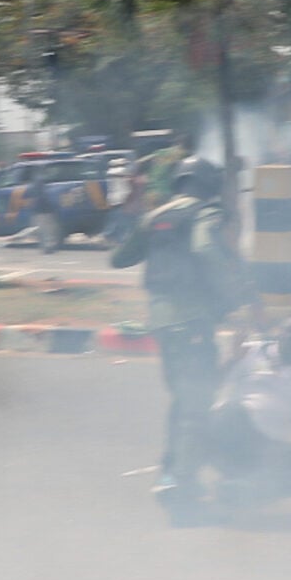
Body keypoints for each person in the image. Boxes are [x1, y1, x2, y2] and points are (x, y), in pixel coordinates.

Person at [108, 158, 252, 514]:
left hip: (162, 322)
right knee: (194, 404)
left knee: (183, 399)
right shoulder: (205, 213)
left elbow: (120, 258)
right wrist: (234, 296)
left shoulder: (155, 217)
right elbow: (205, 248)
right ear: (206, 184)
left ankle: (172, 471)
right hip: (192, 321)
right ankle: (180, 485)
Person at [204, 309, 291, 495]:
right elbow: (214, 382)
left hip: (267, 443)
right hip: (232, 428)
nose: (288, 336)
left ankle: (244, 480)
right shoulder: (252, 352)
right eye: (286, 330)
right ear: (279, 331)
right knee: (231, 413)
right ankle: (239, 478)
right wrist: (232, 359)